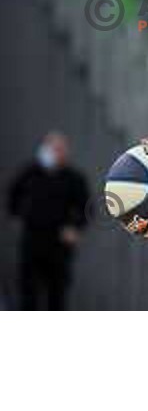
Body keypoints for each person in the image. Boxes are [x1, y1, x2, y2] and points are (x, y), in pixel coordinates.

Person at [8, 131, 90, 310]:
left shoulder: (74, 178)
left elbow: (87, 208)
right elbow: (13, 195)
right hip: (32, 240)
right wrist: (19, 215)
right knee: (28, 293)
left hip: (59, 245)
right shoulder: (30, 173)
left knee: (57, 295)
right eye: (52, 148)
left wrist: (75, 228)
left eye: (59, 149)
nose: (55, 153)